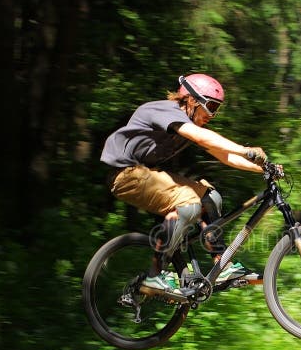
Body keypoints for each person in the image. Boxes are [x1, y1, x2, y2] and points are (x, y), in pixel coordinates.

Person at [100, 73, 266, 299]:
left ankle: (222, 265)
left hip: (148, 174)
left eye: (217, 108)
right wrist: (246, 149)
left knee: (210, 198)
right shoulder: (166, 110)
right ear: (191, 100)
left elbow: (225, 155)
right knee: (188, 202)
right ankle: (154, 276)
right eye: (211, 106)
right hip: (126, 174)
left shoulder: (189, 124)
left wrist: (265, 169)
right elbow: (204, 137)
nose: (213, 114)